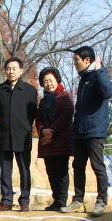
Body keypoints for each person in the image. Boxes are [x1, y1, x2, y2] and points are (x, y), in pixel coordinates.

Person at [61, 46, 112, 217]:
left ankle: (102, 201)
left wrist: (99, 72)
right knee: (78, 166)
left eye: (76, 60)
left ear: (87, 60)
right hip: (80, 130)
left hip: (95, 130)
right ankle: (78, 201)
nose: (74, 64)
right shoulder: (84, 78)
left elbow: (108, 93)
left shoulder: (99, 75)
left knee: (97, 166)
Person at [0, 57, 38, 211]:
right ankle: (6, 200)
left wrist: (24, 127)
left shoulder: (30, 90)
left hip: (22, 136)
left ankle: (24, 200)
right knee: (5, 169)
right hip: (4, 134)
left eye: (14, 68)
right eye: (8, 68)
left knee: (24, 169)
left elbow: (32, 113)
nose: (11, 71)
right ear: (5, 71)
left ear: (21, 70)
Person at [35, 67, 74, 211]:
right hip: (47, 142)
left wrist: (51, 132)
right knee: (51, 171)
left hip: (62, 140)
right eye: (45, 81)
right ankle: (56, 199)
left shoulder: (66, 96)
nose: (48, 83)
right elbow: (38, 117)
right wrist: (42, 130)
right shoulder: (43, 101)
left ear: (57, 80)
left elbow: (66, 115)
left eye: (50, 80)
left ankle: (62, 200)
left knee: (61, 171)